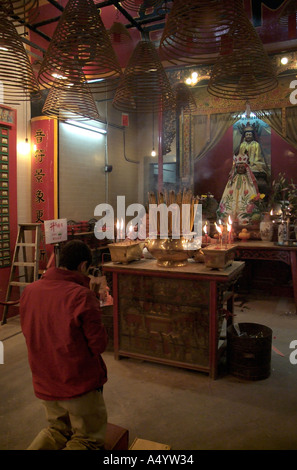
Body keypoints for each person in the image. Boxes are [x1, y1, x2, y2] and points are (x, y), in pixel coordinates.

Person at [20, 239, 108, 450]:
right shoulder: (81, 296)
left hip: (45, 380)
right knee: (87, 440)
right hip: (77, 383)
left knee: (56, 431)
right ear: (83, 266)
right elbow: (98, 345)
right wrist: (95, 298)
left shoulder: (30, 291)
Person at [217, 153, 260, 225]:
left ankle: (244, 217)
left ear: (246, 168)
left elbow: (253, 186)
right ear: (235, 168)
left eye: (242, 167)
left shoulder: (248, 180)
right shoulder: (232, 179)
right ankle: (229, 217)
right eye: (238, 167)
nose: (240, 169)